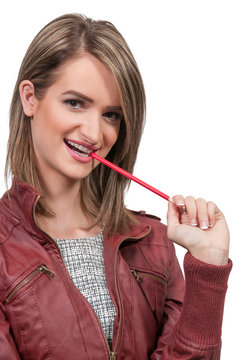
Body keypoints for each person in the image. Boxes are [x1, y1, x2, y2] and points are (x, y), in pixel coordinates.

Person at [0, 13, 231, 360]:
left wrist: (208, 267)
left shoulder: (154, 243)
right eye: (75, 103)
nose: (94, 134)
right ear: (30, 99)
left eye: (112, 114)